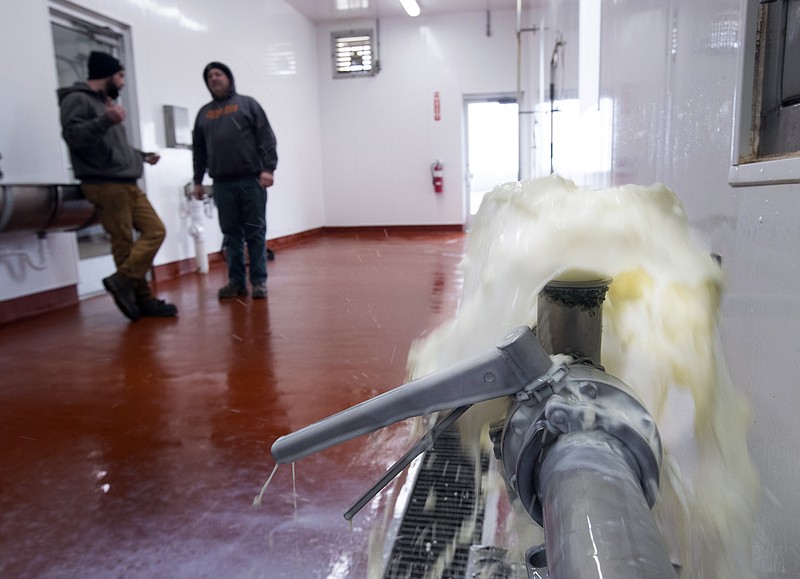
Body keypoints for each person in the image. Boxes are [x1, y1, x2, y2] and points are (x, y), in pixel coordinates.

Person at [57, 51, 177, 321]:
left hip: (126, 182)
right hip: (104, 184)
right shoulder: (77, 100)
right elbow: (74, 137)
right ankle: (142, 300)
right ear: (107, 74)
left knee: (155, 231)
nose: (123, 82)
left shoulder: (105, 102)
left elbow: (114, 146)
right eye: (120, 76)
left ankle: (123, 281)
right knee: (123, 242)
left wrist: (142, 156)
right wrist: (105, 120)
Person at [192, 61, 277, 300]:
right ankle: (236, 281)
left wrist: (268, 169)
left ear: (229, 78)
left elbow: (266, 138)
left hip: (251, 180)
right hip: (222, 184)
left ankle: (259, 281)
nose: (214, 79)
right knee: (231, 235)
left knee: (255, 232)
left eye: (219, 74)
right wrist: (197, 180)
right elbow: (199, 151)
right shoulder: (203, 114)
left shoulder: (248, 105)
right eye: (210, 77)